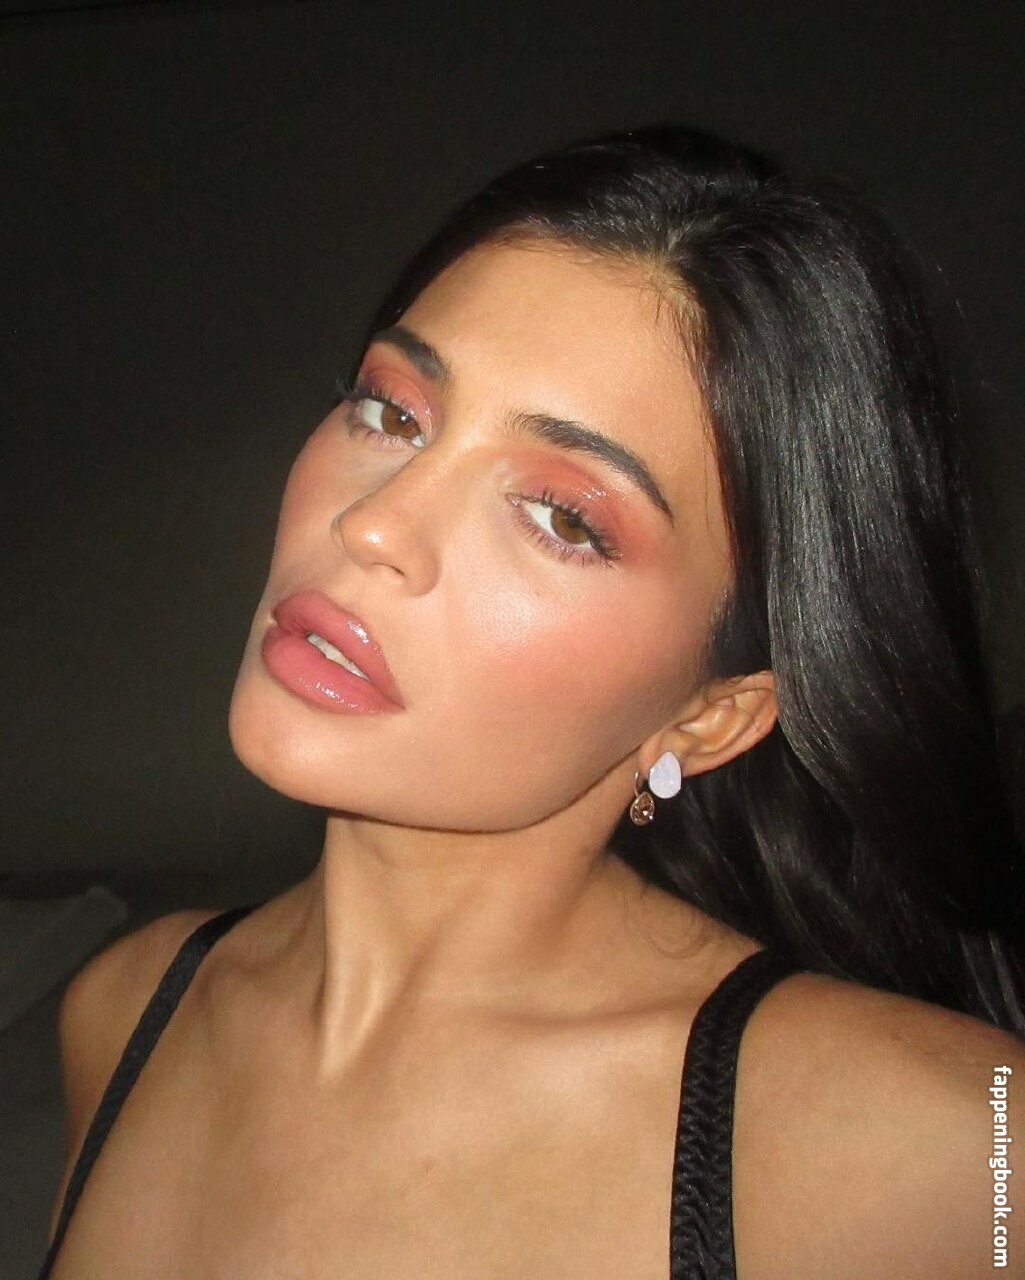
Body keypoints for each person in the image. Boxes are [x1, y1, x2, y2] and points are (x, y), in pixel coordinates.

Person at [40, 126, 1024, 1279]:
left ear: (708, 715)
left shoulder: (950, 1148)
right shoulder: (124, 1007)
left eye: (562, 515)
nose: (374, 523)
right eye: (390, 411)